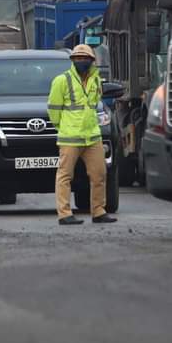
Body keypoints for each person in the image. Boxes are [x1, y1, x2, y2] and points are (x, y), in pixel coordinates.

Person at [47, 44, 117, 226]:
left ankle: (99, 211)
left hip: (92, 137)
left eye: (85, 58)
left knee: (99, 174)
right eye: (77, 58)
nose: (81, 61)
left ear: (92, 61)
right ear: (72, 61)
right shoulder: (61, 81)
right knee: (65, 176)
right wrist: (63, 127)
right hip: (70, 138)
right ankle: (64, 214)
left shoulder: (95, 80)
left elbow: (94, 105)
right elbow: (54, 110)